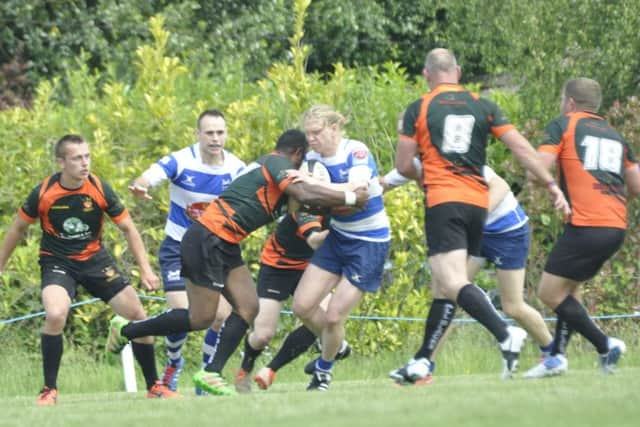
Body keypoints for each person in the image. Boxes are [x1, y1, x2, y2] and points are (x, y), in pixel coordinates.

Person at [106, 129, 368, 396]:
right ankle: (127, 329)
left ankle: (211, 372)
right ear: (298, 154)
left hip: (225, 241)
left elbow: (307, 205)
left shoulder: (279, 179)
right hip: (207, 237)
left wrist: (344, 202)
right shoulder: (277, 162)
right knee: (201, 318)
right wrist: (351, 197)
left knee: (248, 306)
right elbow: (307, 195)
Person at [390, 48, 570, 385]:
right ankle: (422, 362)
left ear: (427, 75)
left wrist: (423, 175)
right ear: (457, 71)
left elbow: (402, 165)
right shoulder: (484, 104)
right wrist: (551, 185)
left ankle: (505, 334)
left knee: (451, 281)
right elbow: (521, 149)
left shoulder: (419, 107)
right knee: (447, 286)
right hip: (477, 205)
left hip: (445, 201)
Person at [0, 134, 180, 406]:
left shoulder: (98, 187)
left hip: (95, 261)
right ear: (61, 162)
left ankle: (154, 386)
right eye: (77, 158)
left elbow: (129, 228)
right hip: (57, 262)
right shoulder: (44, 192)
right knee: (55, 313)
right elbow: (17, 228)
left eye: (87, 156)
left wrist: (146, 270)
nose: (85, 163)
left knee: (138, 315)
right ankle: (49, 390)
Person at [382, 162, 559, 381]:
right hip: (471, 232)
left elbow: (501, 186)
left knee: (513, 306)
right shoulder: (412, 162)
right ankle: (425, 364)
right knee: (448, 291)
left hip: (505, 229)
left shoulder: (455, 155)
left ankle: (553, 355)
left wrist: (475, 218)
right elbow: (380, 185)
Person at [523, 77, 640, 377]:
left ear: (570, 102)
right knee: (569, 291)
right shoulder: (615, 135)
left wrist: (532, 172)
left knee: (548, 293)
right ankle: (557, 358)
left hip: (587, 223)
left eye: (562, 99)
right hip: (615, 225)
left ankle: (604, 344)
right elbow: (636, 185)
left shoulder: (564, 124)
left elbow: (539, 170)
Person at [128, 109, 244, 393]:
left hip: (214, 250)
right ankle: (173, 363)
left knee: (221, 315)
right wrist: (141, 186)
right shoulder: (181, 160)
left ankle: (206, 376)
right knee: (184, 312)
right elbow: (151, 175)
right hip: (178, 247)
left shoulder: (237, 168)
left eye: (220, 132)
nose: (215, 138)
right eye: (209, 133)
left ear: (226, 134)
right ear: (198, 134)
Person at [290, 105, 390, 391]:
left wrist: (315, 185)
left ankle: (324, 370)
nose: (311, 139)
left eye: (317, 132)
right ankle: (337, 345)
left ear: (334, 128)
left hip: (369, 241)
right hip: (338, 237)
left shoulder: (355, 151)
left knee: (334, 315)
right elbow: (305, 194)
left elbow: (356, 191)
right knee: (302, 305)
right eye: (308, 133)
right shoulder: (310, 158)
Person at [234, 210, 351, 392]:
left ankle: (271, 369)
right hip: (277, 267)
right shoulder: (307, 206)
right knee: (262, 335)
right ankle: (245, 367)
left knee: (324, 317)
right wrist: (343, 229)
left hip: (312, 267)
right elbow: (314, 241)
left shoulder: (344, 208)